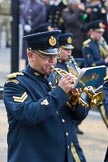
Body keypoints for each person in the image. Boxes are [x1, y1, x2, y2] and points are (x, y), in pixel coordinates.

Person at [3, 30, 90, 162]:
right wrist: (60, 92)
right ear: (30, 55)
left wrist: (76, 99)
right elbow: (29, 115)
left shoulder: (56, 78)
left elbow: (79, 116)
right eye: (46, 56)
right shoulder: (15, 84)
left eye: (55, 56)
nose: (53, 61)